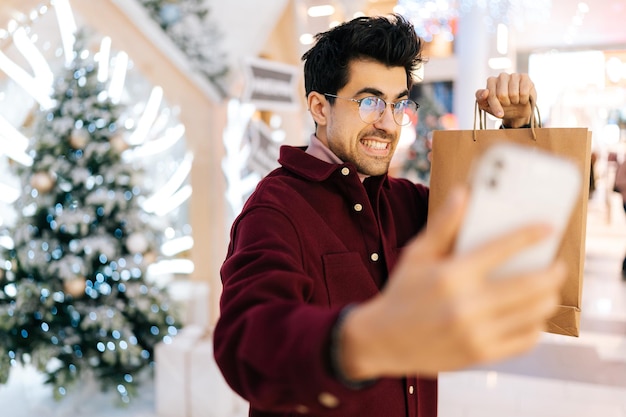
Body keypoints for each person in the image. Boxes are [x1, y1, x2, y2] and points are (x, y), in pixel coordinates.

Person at [213, 14, 566, 417]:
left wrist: (516, 125)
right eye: (369, 102)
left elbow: (512, 235)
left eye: (398, 104)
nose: (388, 123)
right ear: (319, 107)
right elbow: (247, 341)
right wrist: (366, 340)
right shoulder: (276, 210)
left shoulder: (408, 202)